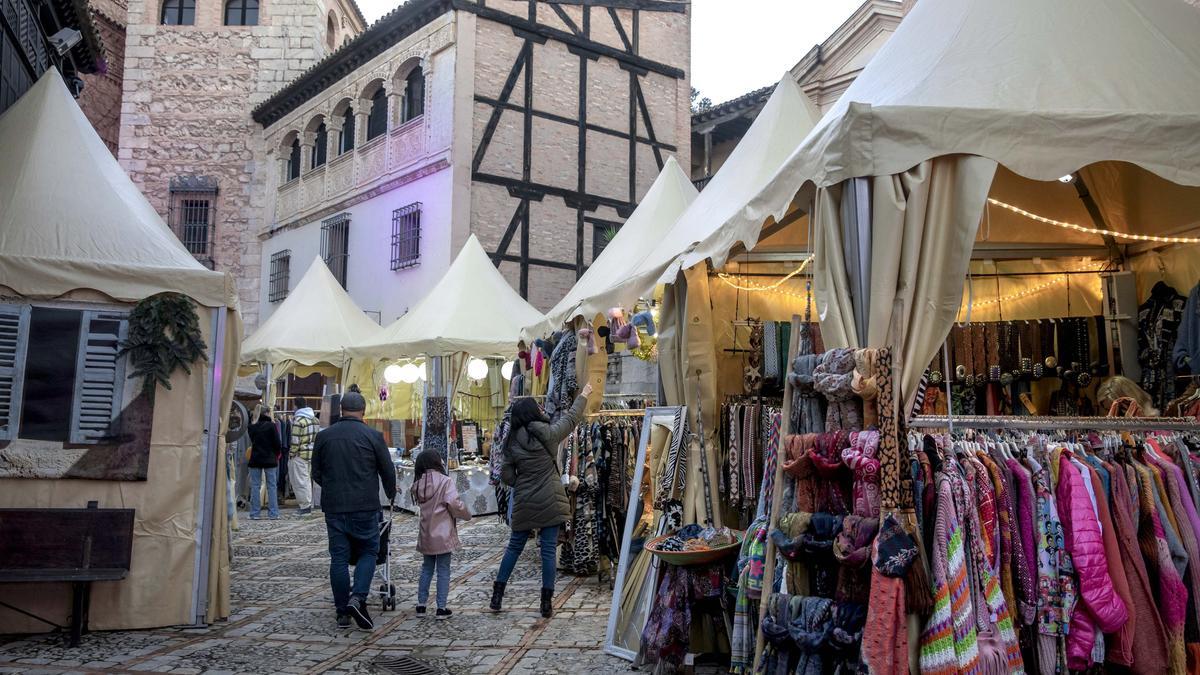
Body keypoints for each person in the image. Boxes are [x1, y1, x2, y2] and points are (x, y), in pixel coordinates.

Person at [491, 382, 591, 618]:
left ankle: (497, 596)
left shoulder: (511, 441)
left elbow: (505, 475)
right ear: (534, 413)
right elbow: (571, 419)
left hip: (525, 500)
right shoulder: (550, 434)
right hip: (551, 499)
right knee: (547, 551)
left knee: (514, 547)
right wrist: (584, 394)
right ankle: (546, 603)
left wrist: (521, 482)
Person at [311, 391, 397, 630]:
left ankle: (342, 613)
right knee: (369, 551)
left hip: (335, 507)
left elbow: (315, 472)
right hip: (365, 506)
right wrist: (391, 493)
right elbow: (387, 470)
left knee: (338, 558)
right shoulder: (373, 436)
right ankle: (358, 597)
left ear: (341, 409)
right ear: (363, 411)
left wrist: (332, 488)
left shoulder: (324, 437)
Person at [411, 448, 471, 619]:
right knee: (443, 570)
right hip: (443, 534)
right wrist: (466, 514)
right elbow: (454, 503)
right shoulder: (445, 481)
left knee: (426, 568)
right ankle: (441, 607)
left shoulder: (418, 484)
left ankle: (421, 605)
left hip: (426, 534)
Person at [246, 406, 282, 520]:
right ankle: (273, 513)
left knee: (255, 486)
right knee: (271, 486)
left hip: (255, 458)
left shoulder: (252, 426)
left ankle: (255, 513)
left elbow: (252, 442)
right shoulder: (272, 426)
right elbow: (277, 443)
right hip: (270, 458)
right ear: (267, 413)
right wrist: (276, 454)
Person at [289, 397, 319, 514]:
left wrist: (292, 453)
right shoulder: (315, 420)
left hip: (300, 454)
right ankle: (308, 504)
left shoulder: (298, 421)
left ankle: (304, 506)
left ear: (296, 406)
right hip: (311, 453)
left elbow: (295, 440)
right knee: (306, 480)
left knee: (300, 481)